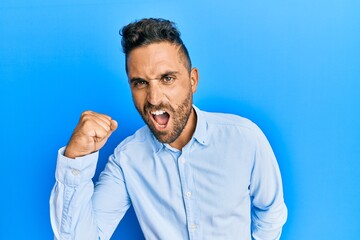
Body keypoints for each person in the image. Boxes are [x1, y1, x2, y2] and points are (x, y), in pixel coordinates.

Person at [50, 18, 287, 240]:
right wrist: (76, 159)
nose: (153, 98)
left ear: (192, 80)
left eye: (167, 78)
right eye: (141, 83)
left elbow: (271, 211)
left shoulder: (244, 138)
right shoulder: (127, 160)